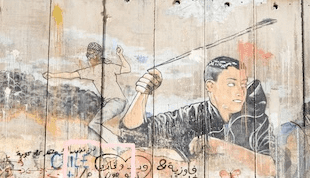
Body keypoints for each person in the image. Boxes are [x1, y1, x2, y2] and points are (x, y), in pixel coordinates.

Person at [119, 56, 272, 160]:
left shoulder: (255, 119)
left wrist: (219, 146)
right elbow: (132, 135)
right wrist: (143, 93)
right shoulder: (192, 116)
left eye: (243, 85)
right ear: (210, 86)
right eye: (231, 84)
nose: (240, 91)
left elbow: (272, 166)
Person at [44, 42, 131, 142]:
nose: (88, 59)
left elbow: (71, 75)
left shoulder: (103, 68)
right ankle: (93, 149)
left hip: (117, 102)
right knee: (92, 127)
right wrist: (52, 75)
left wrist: (52, 75)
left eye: (89, 56)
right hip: (113, 102)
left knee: (95, 123)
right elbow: (71, 75)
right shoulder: (98, 69)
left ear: (94, 56)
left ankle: (115, 143)